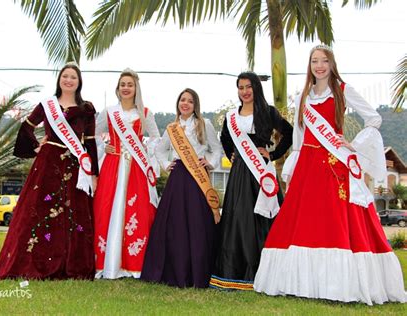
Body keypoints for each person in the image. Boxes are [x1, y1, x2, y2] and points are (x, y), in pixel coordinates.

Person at [254, 45, 406, 305]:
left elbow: (374, 119)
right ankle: (301, 284)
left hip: (333, 164)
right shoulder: (304, 95)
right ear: (309, 65)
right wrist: (294, 164)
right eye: (314, 61)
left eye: (324, 60)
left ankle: (339, 285)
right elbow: (300, 136)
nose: (319, 65)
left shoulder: (343, 90)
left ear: (332, 64)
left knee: (335, 222)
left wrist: (353, 145)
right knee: (304, 222)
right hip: (307, 166)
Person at [0, 62, 99, 280]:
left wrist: (94, 173)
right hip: (48, 164)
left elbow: (90, 142)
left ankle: (70, 265)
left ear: (79, 82)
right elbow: (27, 127)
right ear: (59, 80)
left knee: (73, 214)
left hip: (75, 166)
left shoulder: (87, 109)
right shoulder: (47, 105)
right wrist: (37, 146)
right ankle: (33, 261)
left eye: (73, 77)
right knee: (38, 211)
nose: (68, 80)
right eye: (65, 76)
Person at [210, 72, 293, 290]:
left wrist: (272, 155)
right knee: (238, 217)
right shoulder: (231, 117)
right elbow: (225, 139)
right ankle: (234, 272)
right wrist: (232, 155)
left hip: (261, 175)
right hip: (239, 173)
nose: (245, 91)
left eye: (249, 87)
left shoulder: (268, 112)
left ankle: (265, 273)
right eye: (241, 87)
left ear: (256, 88)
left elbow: (289, 133)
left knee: (262, 218)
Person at [141, 88, 223, 288]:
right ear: (178, 103)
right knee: (174, 223)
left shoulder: (205, 124)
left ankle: (197, 271)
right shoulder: (172, 128)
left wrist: (210, 163)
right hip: (178, 178)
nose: (185, 104)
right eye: (182, 100)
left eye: (190, 101)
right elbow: (160, 150)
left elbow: (217, 149)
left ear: (196, 105)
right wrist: (165, 165)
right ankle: (174, 270)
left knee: (197, 223)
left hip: (198, 178)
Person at [93, 68, 160, 279]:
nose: (126, 88)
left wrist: (144, 149)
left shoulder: (145, 113)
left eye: (130, 84)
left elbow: (156, 137)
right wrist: (105, 147)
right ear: (118, 88)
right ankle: (107, 262)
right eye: (123, 84)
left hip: (136, 169)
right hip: (112, 166)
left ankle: (133, 263)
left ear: (136, 88)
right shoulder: (109, 112)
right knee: (107, 208)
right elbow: (92, 134)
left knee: (136, 210)